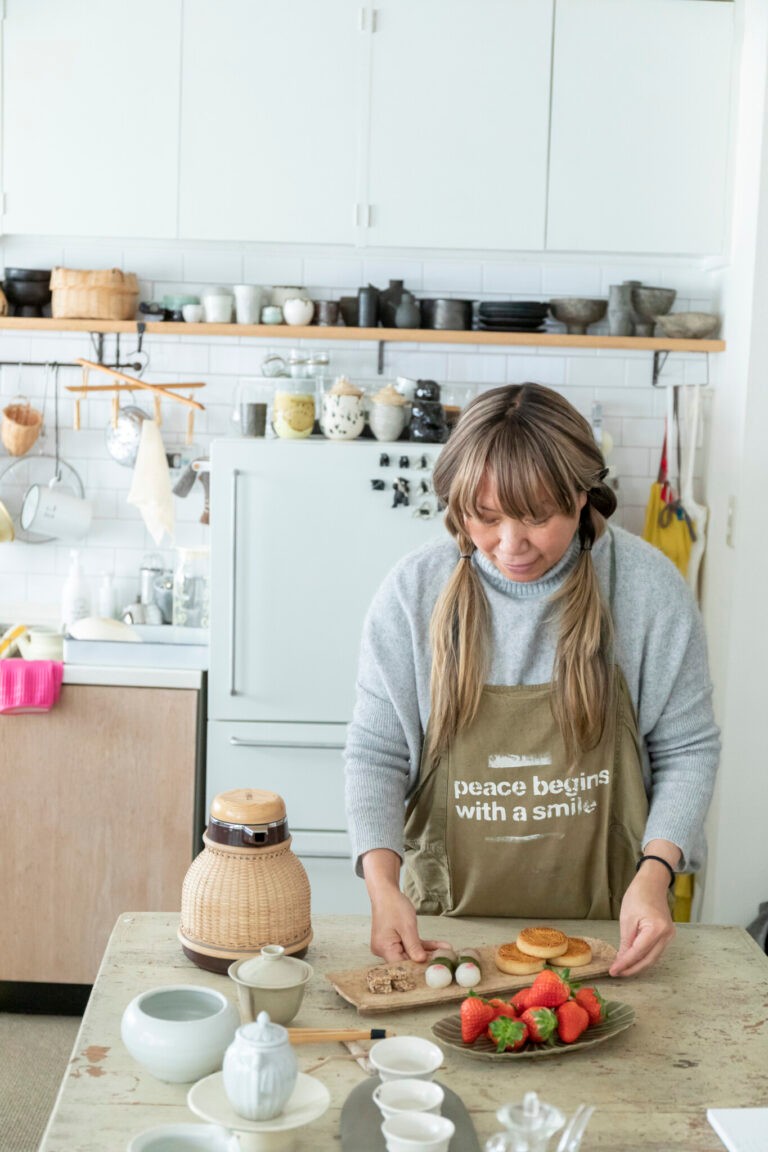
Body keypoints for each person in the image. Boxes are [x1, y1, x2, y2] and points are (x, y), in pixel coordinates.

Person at [344, 383, 720, 978]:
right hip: (445, 940)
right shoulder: (414, 592)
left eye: (537, 517)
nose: (510, 545)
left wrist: (657, 874)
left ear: (582, 495)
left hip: (608, 939)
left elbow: (687, 750)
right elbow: (376, 751)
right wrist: (381, 885)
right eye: (486, 518)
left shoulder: (649, 590)